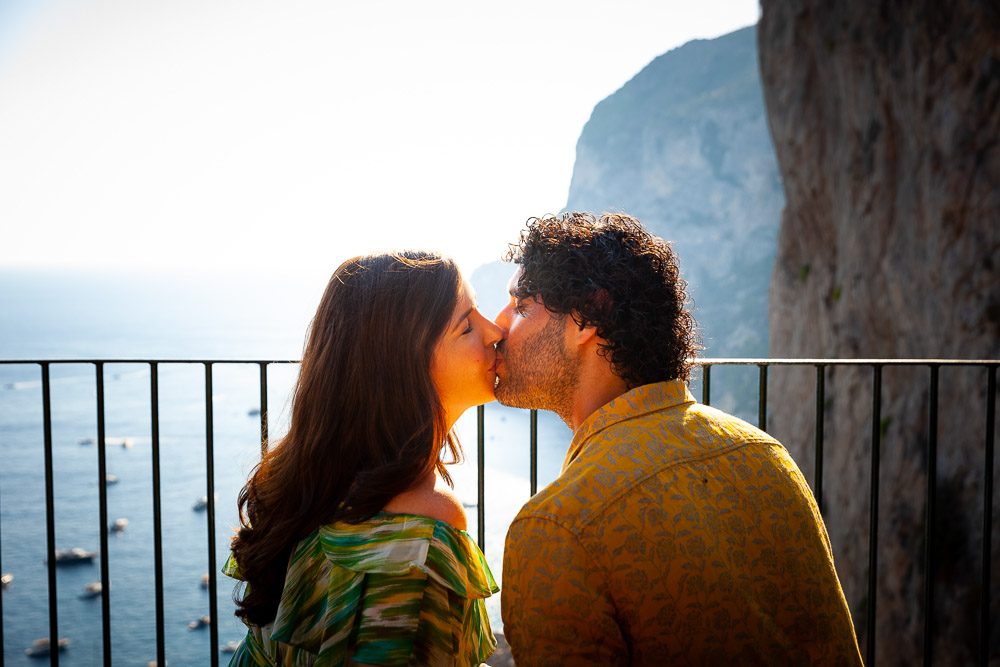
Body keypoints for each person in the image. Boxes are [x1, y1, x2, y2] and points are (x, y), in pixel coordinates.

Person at [493, 213, 863, 665]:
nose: (497, 324)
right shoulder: (767, 456)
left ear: (587, 315)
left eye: (521, 305)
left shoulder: (557, 528)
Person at [225, 251, 503, 666]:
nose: (495, 329)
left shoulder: (301, 482)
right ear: (406, 368)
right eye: (466, 326)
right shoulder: (422, 525)